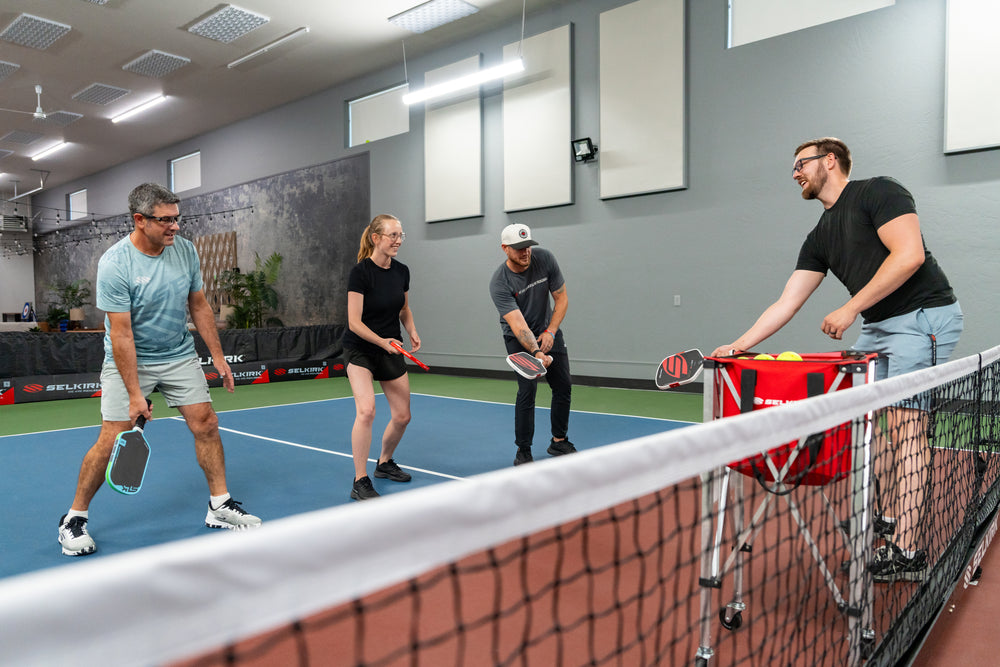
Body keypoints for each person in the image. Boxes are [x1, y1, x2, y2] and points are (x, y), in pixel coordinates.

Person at [712, 137, 963, 582]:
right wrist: (737, 344)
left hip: (922, 317)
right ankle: (887, 517)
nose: (795, 173)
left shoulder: (879, 191)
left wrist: (849, 308)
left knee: (907, 428)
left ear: (830, 161)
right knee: (868, 425)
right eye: (793, 168)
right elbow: (786, 302)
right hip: (878, 327)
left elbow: (909, 255)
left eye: (801, 164)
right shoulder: (819, 237)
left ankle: (906, 551)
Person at [57, 183, 261, 557]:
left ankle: (219, 504)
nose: (176, 227)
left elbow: (199, 305)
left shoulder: (184, 251)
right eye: (165, 220)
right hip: (130, 357)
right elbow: (121, 334)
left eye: (176, 218)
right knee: (111, 438)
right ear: (140, 220)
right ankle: (73, 519)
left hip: (178, 353)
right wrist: (136, 395)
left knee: (207, 423)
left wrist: (217, 356)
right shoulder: (116, 263)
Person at [343, 214, 421, 500]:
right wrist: (382, 342)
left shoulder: (402, 271)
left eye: (401, 235)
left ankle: (384, 463)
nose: (398, 240)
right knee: (367, 411)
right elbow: (354, 322)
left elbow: (404, 309)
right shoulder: (360, 273)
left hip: (391, 347)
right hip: (361, 349)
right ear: (376, 238)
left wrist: (411, 330)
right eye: (393, 235)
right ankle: (360, 480)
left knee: (402, 416)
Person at [490, 223, 576, 466]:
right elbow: (518, 325)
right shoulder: (499, 282)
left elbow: (561, 298)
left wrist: (551, 331)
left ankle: (558, 441)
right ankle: (523, 450)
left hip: (548, 330)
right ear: (505, 249)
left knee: (563, 386)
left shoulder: (545, 259)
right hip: (518, 338)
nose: (525, 252)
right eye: (518, 248)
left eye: (527, 246)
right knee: (527, 390)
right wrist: (537, 352)